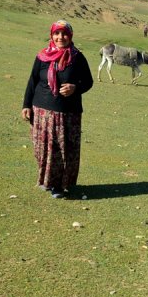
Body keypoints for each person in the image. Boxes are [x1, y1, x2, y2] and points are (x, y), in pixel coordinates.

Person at [21, 20, 94, 199]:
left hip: (67, 113)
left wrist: (75, 87)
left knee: (63, 151)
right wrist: (26, 105)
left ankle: (59, 186)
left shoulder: (77, 57)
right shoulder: (42, 56)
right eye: (57, 33)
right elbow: (32, 81)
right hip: (42, 111)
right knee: (44, 149)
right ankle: (47, 181)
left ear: (70, 36)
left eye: (64, 34)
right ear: (51, 35)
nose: (61, 37)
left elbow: (88, 82)